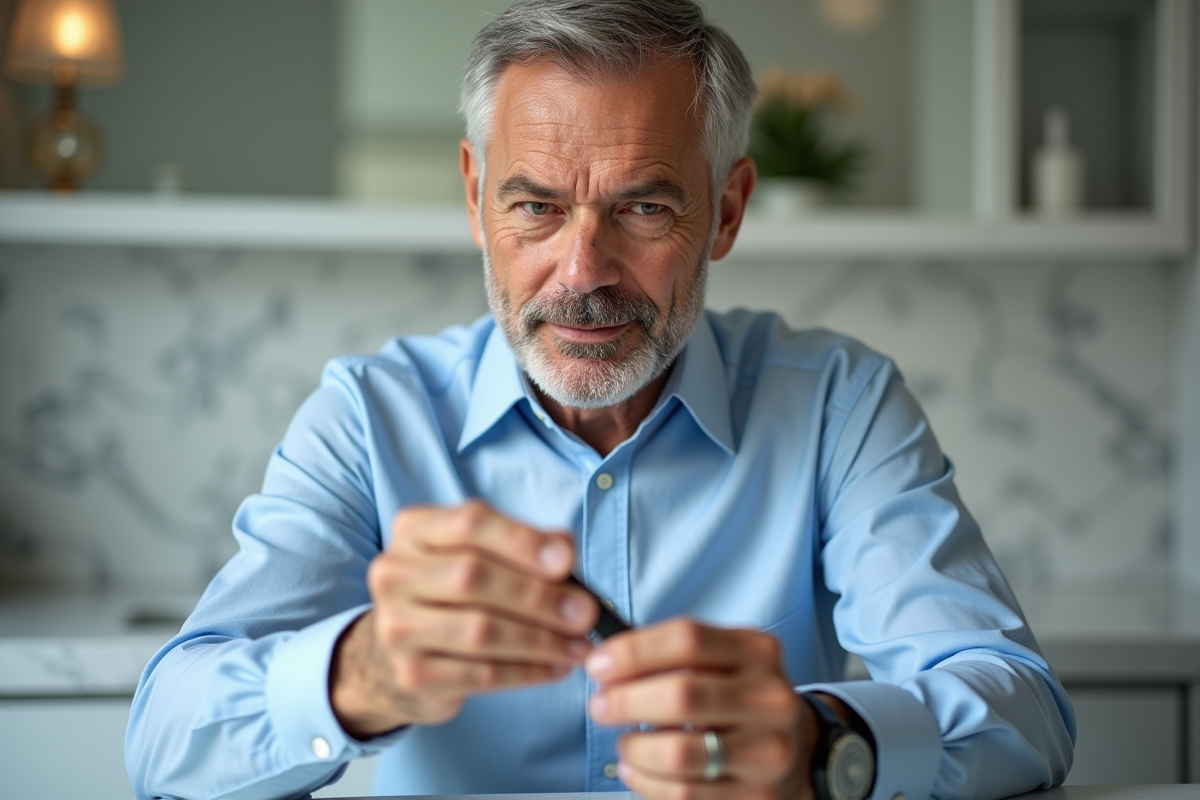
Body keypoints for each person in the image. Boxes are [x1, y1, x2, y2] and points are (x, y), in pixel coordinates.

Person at [125, 2, 1075, 799]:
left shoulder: (838, 403)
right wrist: (360, 674)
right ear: (473, 197)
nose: (582, 272)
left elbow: (1022, 707)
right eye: (535, 205)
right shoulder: (370, 420)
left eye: (644, 208)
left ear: (728, 212)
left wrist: (822, 745)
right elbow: (165, 740)